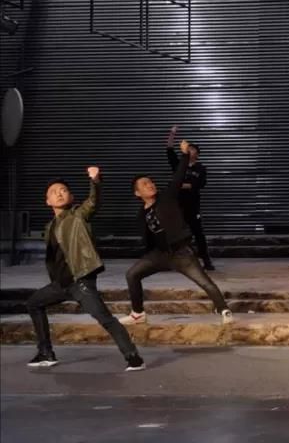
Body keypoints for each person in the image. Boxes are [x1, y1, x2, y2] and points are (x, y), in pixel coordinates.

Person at [26, 168, 145, 372]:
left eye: (63, 190)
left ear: (71, 197)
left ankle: (134, 357)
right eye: (54, 192)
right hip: (61, 284)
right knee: (33, 303)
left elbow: (93, 201)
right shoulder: (50, 227)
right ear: (47, 201)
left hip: (80, 281)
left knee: (105, 319)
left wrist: (95, 181)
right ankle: (46, 353)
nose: (59, 193)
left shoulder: (78, 215)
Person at [120, 140, 233, 326]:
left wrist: (185, 154)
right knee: (132, 274)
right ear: (137, 193)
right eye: (145, 184)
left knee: (205, 282)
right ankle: (138, 314)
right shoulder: (141, 213)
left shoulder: (167, 197)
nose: (150, 185)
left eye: (151, 182)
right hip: (159, 254)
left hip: (181, 253)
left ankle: (224, 310)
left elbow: (179, 176)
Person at [165, 126, 213, 271]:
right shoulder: (179, 165)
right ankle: (174, 261)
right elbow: (169, 149)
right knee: (176, 234)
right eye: (188, 149)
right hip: (177, 205)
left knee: (198, 233)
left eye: (192, 149)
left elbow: (200, 184)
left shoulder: (200, 168)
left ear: (197, 154)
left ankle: (206, 260)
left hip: (192, 206)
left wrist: (181, 185)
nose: (189, 150)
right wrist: (172, 133)